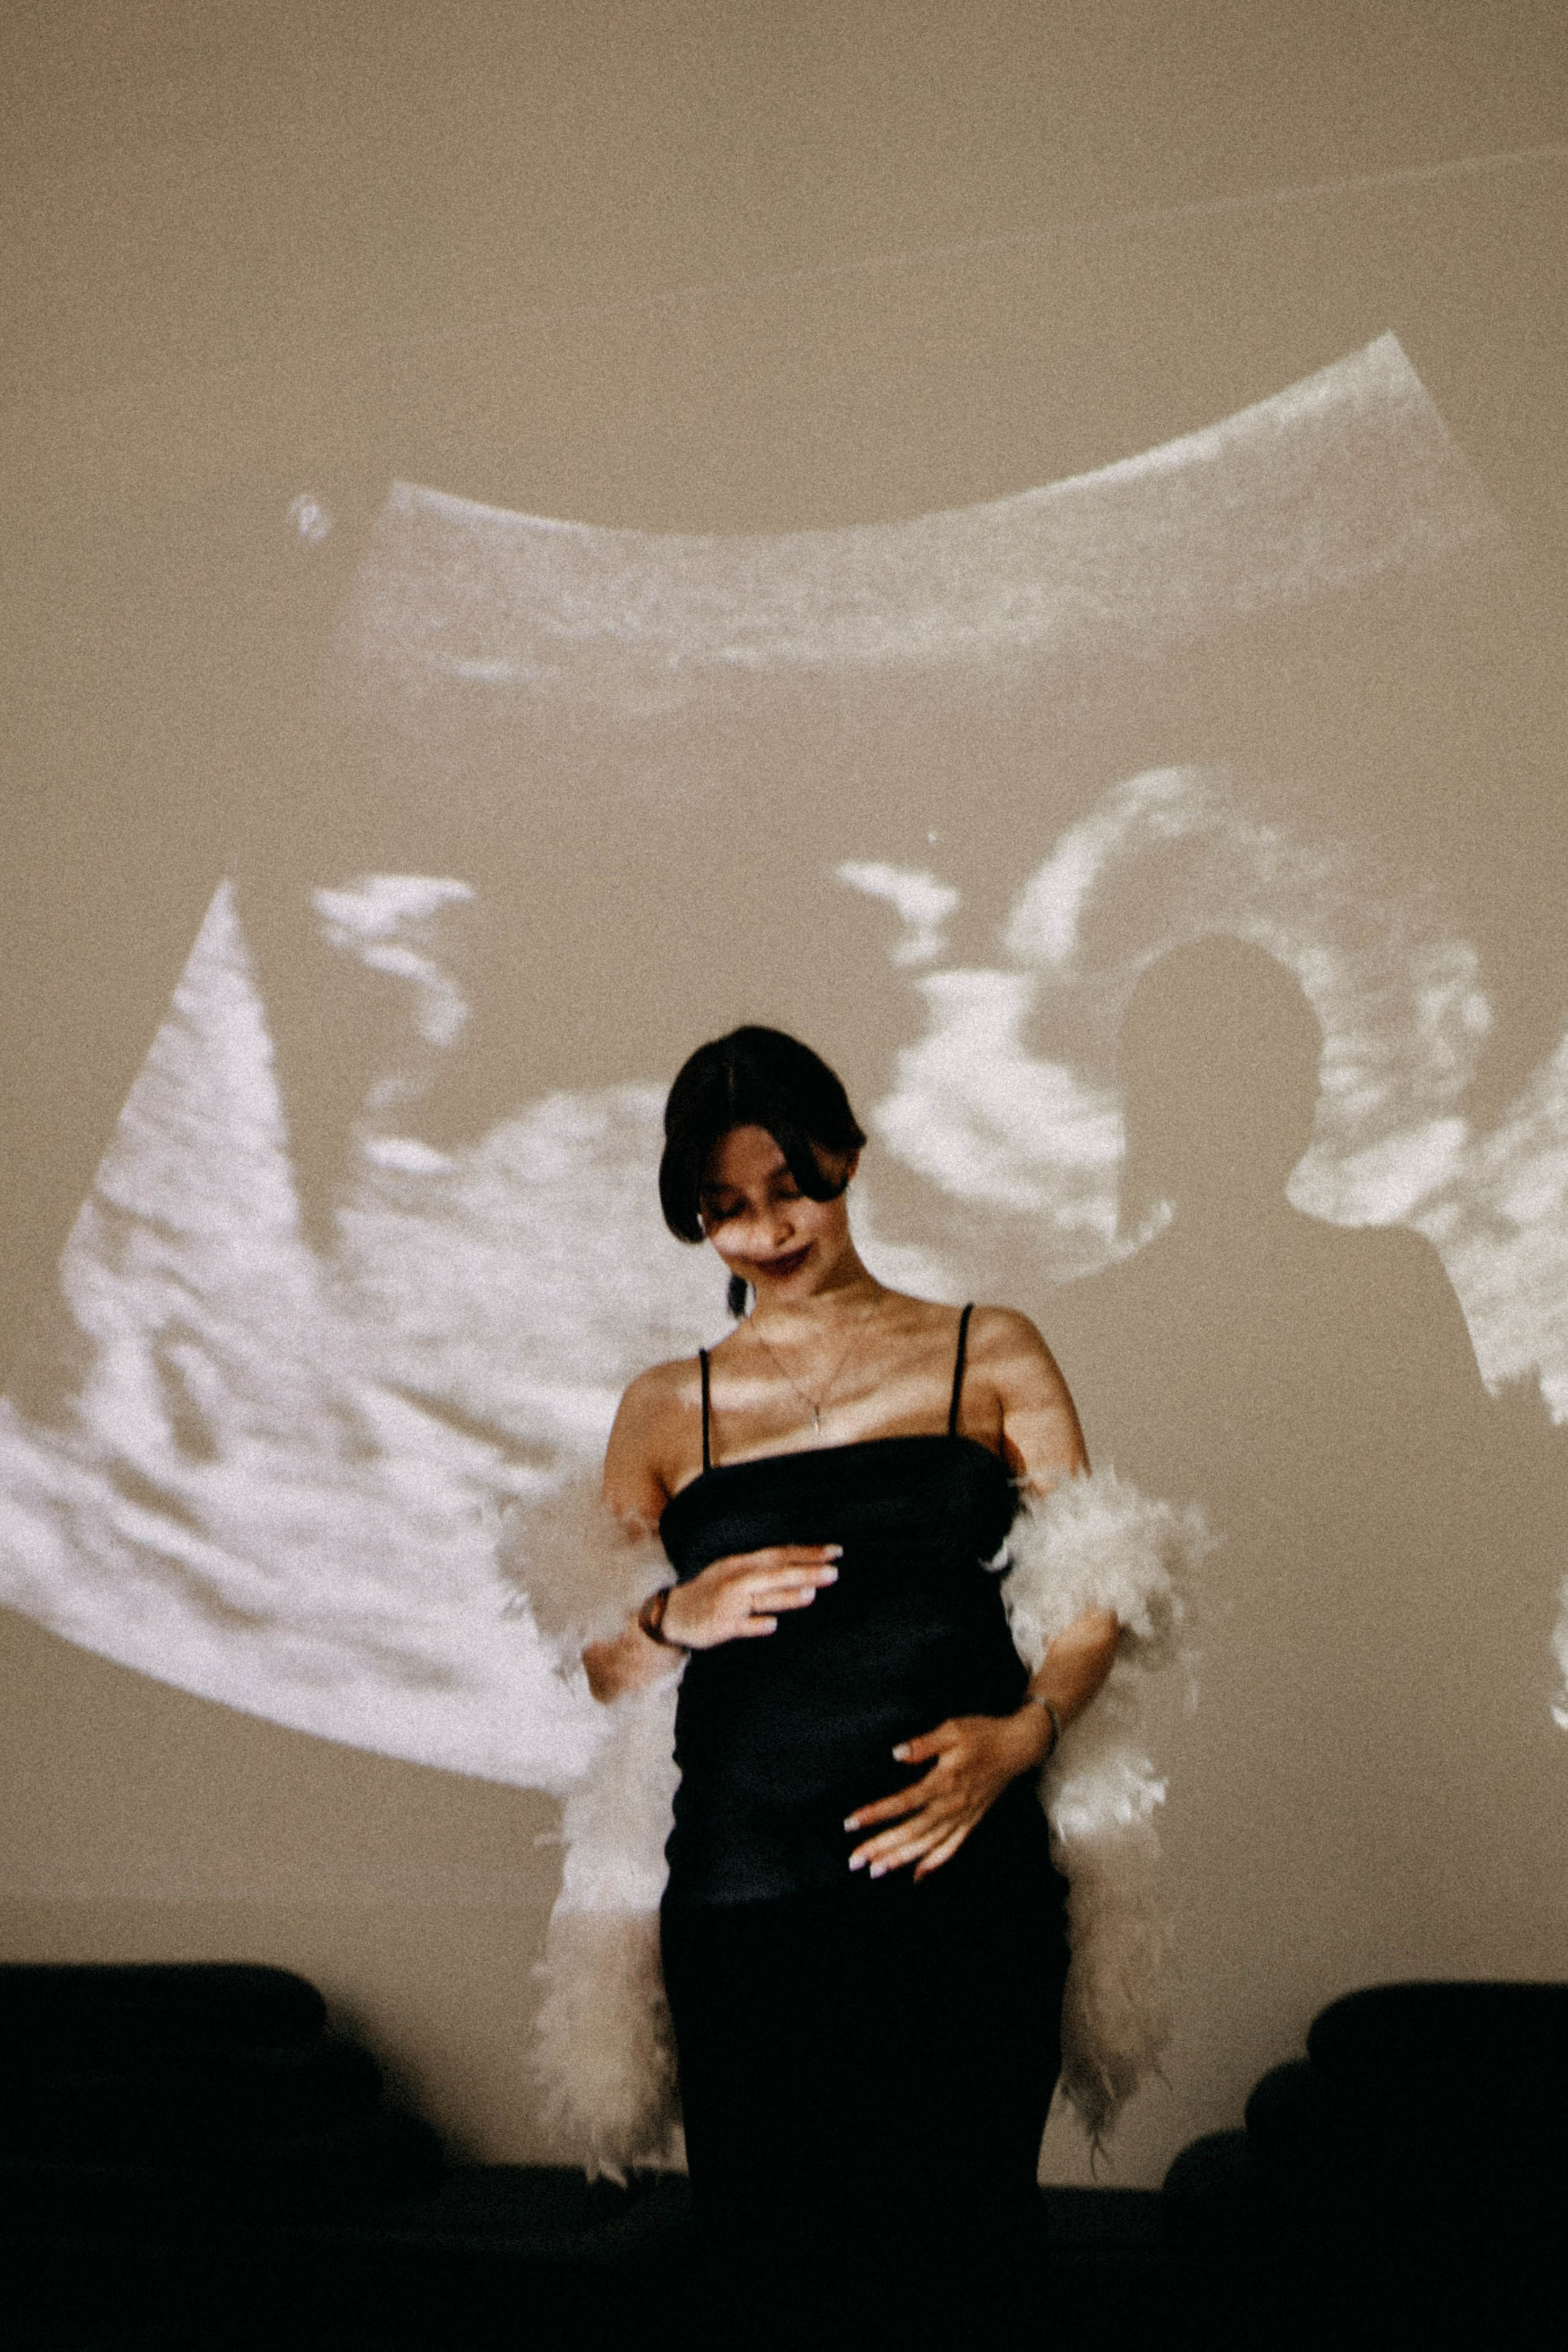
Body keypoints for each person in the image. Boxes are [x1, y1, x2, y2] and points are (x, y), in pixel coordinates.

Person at [581, 1026, 1121, 2347]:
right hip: (745, 1897)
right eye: (724, 1211)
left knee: (964, 2259)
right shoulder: (667, 1406)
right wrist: (672, 1611)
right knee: (771, 2274)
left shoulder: (984, 1351)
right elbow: (597, 1663)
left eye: (789, 1189)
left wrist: (1021, 1737)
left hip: (961, 1891)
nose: (766, 1232)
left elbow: (1101, 1592)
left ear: (845, 1155)